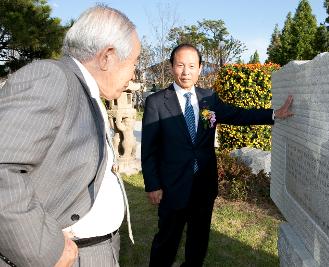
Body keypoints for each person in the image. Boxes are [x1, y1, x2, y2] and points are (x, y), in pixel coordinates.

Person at [0, 5, 140, 267]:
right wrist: (44, 248)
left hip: (98, 249)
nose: (133, 74)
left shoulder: (86, 90)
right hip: (66, 256)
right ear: (108, 56)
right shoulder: (52, 78)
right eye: (134, 63)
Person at [141, 43, 293, 267]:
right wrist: (152, 185)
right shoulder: (156, 102)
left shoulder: (209, 98)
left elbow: (237, 114)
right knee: (167, 240)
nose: (186, 71)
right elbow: (149, 148)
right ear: (172, 67)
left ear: (200, 68)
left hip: (203, 185)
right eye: (180, 65)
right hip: (173, 186)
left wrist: (274, 114)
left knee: (199, 240)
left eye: (192, 66)